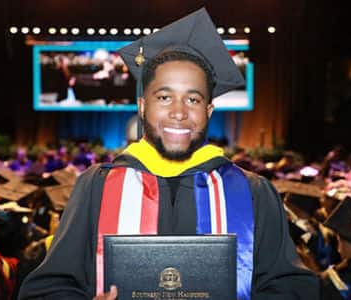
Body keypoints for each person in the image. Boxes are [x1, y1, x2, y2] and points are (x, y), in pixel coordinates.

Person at [18, 8, 318, 300]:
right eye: (164, 97)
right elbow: (48, 289)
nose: (178, 112)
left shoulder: (253, 192)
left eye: (193, 98)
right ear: (142, 105)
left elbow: (291, 288)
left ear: (209, 110)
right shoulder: (96, 187)